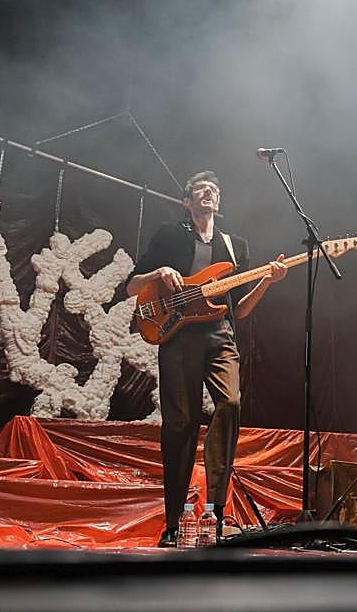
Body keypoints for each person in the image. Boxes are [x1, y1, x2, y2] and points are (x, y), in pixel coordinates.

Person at [124, 171, 286, 547]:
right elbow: (132, 285)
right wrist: (159, 271)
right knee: (180, 424)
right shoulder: (170, 235)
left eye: (214, 188)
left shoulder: (234, 246)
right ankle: (173, 523)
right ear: (187, 201)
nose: (209, 192)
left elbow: (239, 309)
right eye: (201, 188)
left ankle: (215, 510)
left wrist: (266, 281)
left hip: (220, 336)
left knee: (230, 404)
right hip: (179, 337)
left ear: (219, 201)